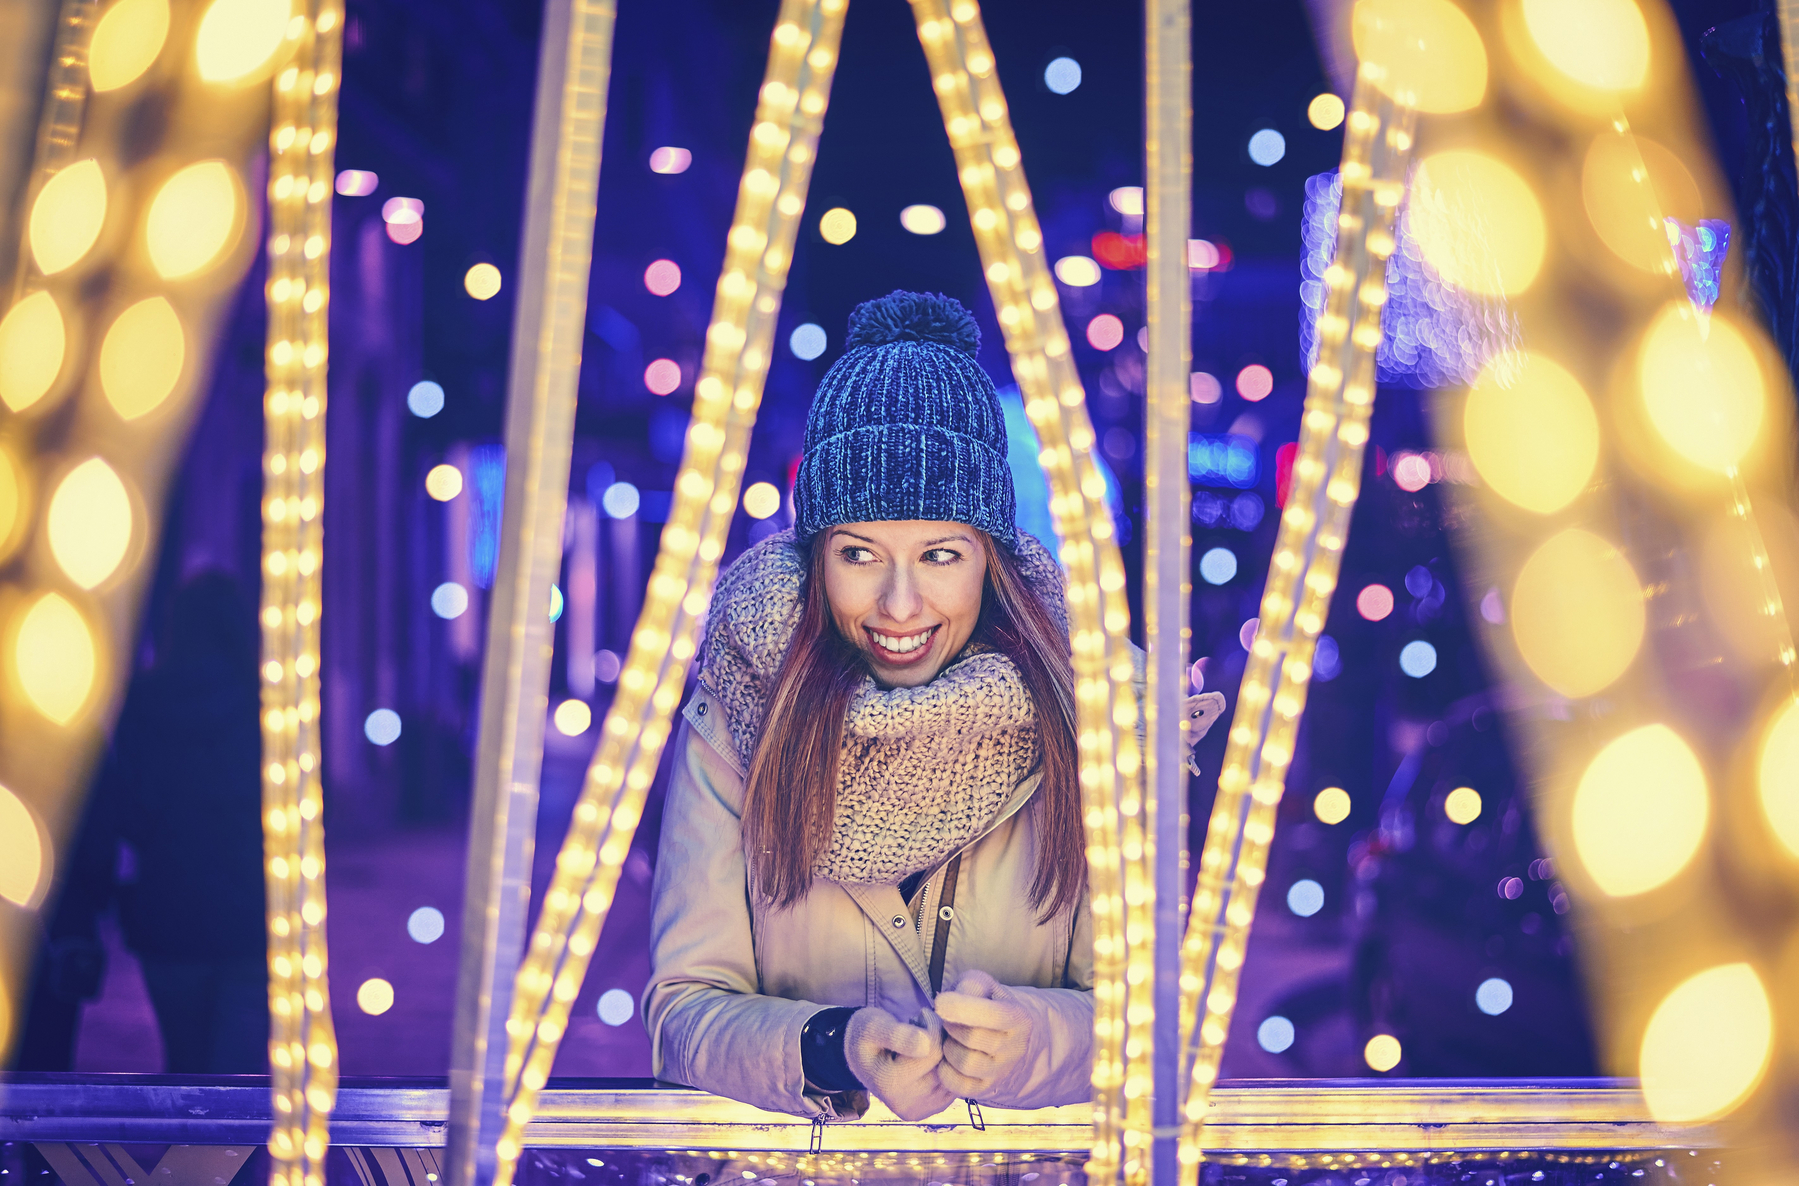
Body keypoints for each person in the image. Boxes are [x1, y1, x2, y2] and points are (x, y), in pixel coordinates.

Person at [643, 291, 1226, 1122]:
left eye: (940, 554)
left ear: (990, 557)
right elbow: (683, 1011)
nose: (900, 604)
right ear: (817, 560)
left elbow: (1152, 1024)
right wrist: (830, 1047)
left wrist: (1034, 1040)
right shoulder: (738, 712)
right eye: (858, 554)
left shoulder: (1103, 719)